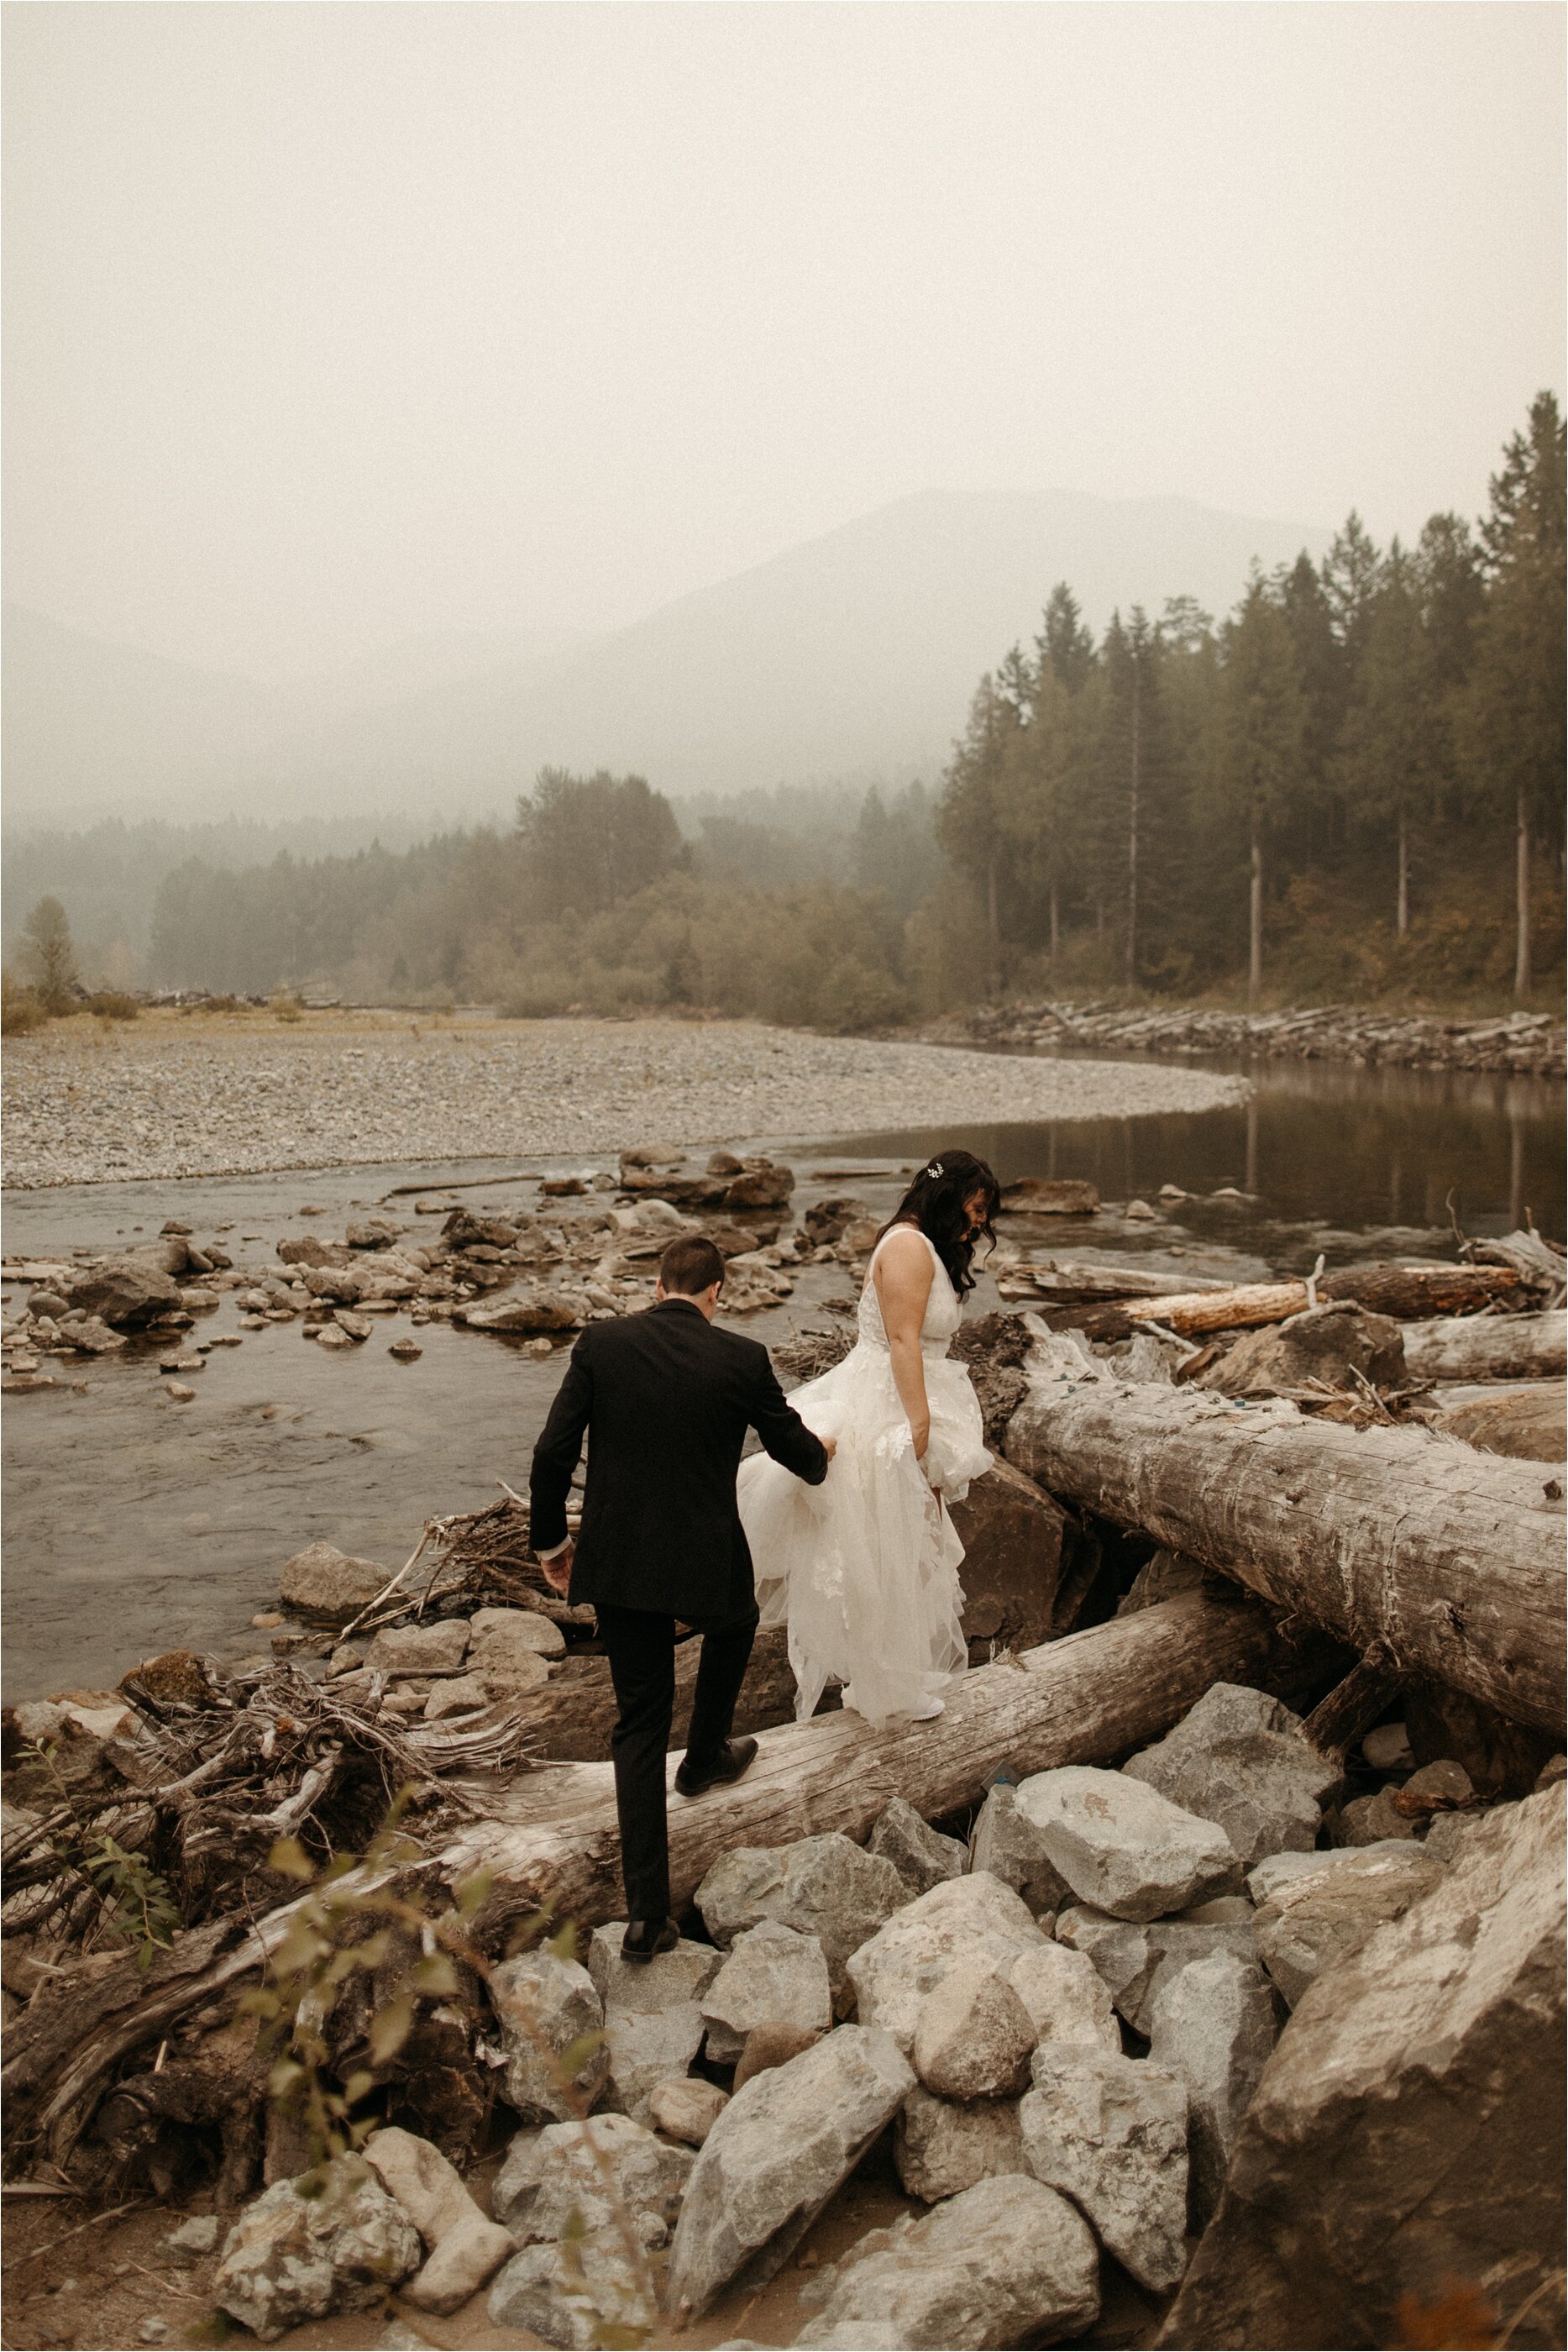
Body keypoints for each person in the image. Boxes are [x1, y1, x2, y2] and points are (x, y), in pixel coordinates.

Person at [529, 1231, 832, 1961]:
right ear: (715, 1293)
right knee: (735, 1624)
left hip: (621, 1559)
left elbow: (551, 1452)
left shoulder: (600, 1344)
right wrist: (826, 1451)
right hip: (702, 1559)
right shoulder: (741, 1357)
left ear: (657, 1285)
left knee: (637, 1723)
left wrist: (552, 1545)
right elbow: (800, 1457)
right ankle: (702, 1757)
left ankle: (644, 1917)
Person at [737, 1149, 999, 1725]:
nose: (979, 1221)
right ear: (947, 1195)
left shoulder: (923, 1243)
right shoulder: (906, 1245)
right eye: (975, 1207)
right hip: (885, 1402)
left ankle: (893, 1672)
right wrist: (918, 1423)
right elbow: (903, 1341)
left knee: (908, 1541)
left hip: (901, 1393)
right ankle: (884, 1688)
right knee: (881, 1544)